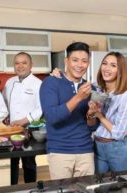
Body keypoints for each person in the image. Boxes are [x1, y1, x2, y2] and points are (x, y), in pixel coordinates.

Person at [40, 42, 98, 180]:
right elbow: (51, 117)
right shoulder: (51, 83)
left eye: (84, 61)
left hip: (86, 151)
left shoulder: (91, 89)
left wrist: (91, 115)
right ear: (66, 61)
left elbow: (93, 126)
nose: (80, 65)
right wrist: (78, 97)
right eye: (75, 60)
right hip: (60, 152)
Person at [87, 52, 127, 174]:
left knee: (125, 189)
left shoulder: (124, 97)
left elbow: (119, 133)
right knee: (99, 189)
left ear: (120, 71)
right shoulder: (97, 89)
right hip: (98, 146)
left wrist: (99, 115)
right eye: (104, 64)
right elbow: (75, 84)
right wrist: (58, 75)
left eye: (113, 65)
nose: (107, 68)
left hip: (119, 148)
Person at [3, 52, 42, 185]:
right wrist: (5, 116)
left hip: (29, 129)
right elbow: (4, 102)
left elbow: (41, 108)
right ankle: (10, 189)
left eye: (24, 63)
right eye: (17, 63)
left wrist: (24, 121)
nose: (20, 66)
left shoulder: (38, 84)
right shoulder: (10, 82)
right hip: (11, 130)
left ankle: (30, 190)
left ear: (31, 65)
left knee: (29, 162)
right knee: (11, 162)